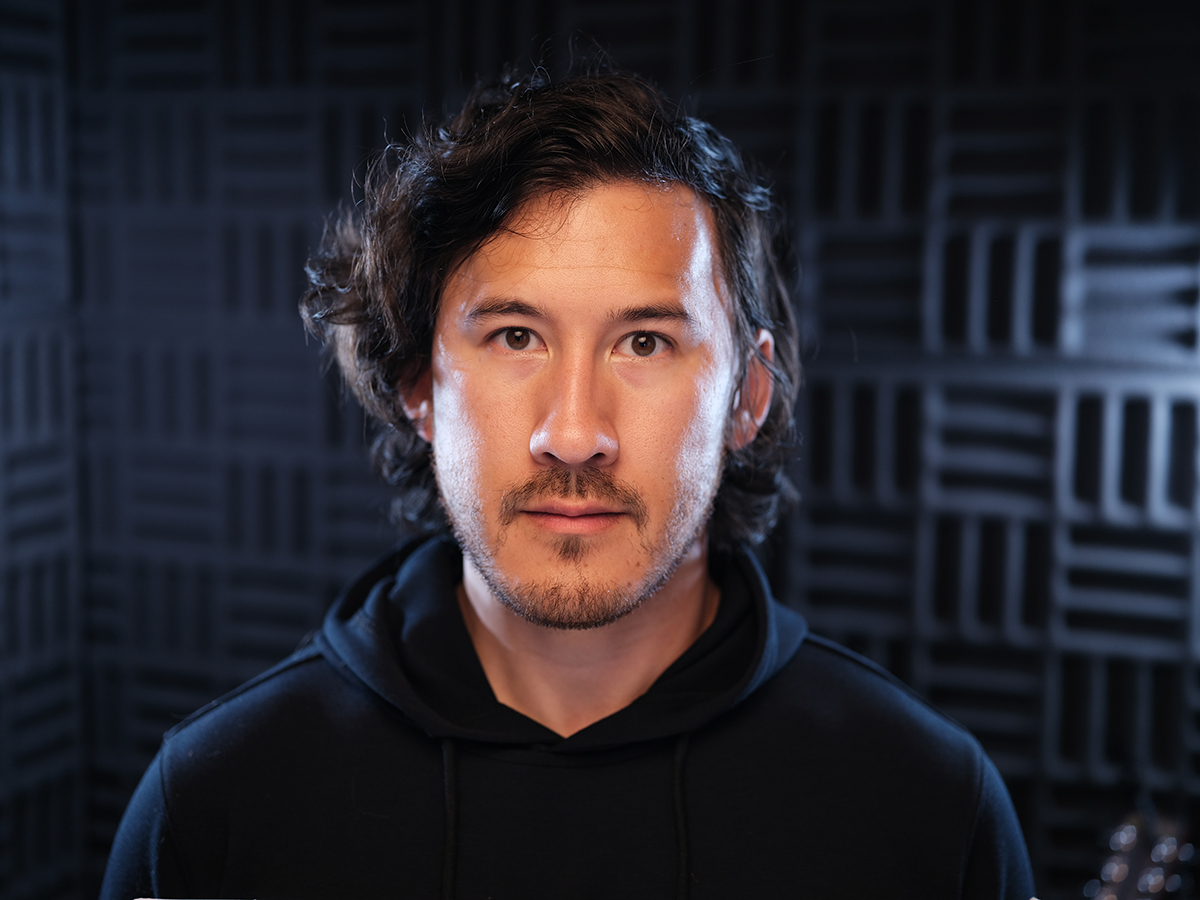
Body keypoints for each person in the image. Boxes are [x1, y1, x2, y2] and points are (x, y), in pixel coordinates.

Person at [100, 67, 1036, 899]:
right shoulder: (218, 801)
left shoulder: (928, 806)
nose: (575, 435)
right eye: (516, 337)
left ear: (747, 398)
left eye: (645, 342)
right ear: (419, 386)